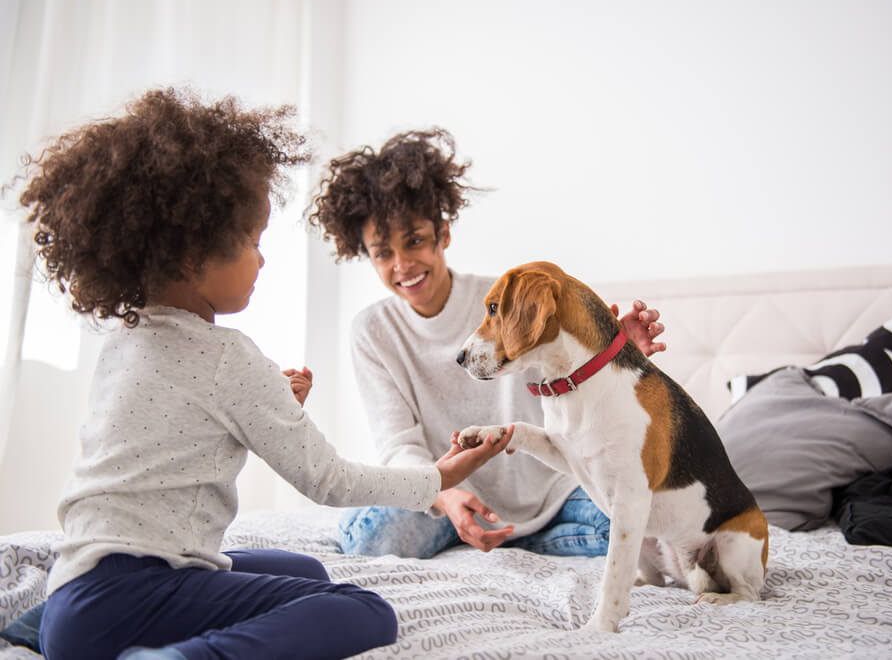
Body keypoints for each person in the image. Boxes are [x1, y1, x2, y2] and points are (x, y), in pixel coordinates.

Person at [13, 90, 511, 660]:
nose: (263, 259)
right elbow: (330, 481)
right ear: (191, 256)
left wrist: (274, 405)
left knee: (301, 568)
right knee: (362, 610)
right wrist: (439, 479)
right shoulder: (229, 356)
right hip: (131, 596)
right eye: (253, 242)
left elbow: (182, 436)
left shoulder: (128, 340)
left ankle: (40, 626)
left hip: (76, 595)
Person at [305, 128, 666, 559]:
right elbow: (399, 445)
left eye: (415, 240)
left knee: (643, 528)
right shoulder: (372, 331)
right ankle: (502, 535)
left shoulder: (506, 299)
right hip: (444, 491)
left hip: (550, 491)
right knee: (372, 537)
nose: (402, 265)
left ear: (443, 234)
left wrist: (611, 355)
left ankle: (514, 537)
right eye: (383, 253)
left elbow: (564, 378)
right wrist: (442, 495)